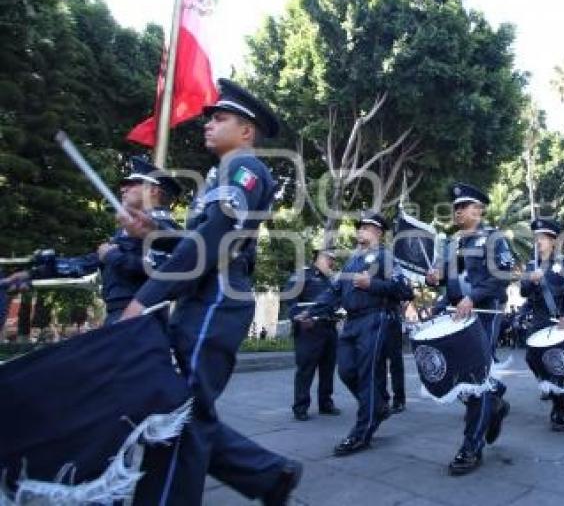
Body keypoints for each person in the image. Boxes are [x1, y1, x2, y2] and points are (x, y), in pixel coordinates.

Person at [119, 80, 302, 505]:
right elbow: (199, 237)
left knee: (179, 416)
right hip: (203, 300)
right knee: (186, 411)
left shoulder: (246, 171)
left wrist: (143, 299)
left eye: (220, 118)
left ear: (246, 131)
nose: (208, 125)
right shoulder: (220, 176)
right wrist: (157, 233)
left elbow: (214, 242)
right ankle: (270, 476)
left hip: (216, 301)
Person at [6, 157, 181, 325]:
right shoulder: (127, 231)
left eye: (131, 184)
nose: (123, 189)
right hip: (121, 315)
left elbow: (162, 269)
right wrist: (33, 274)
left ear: (153, 190)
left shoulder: (167, 231)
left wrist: (112, 256)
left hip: (142, 317)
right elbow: (88, 262)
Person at [304, 211, 414, 457]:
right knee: (346, 371)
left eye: (366, 227)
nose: (360, 230)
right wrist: (312, 312)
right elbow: (333, 292)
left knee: (368, 375)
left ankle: (362, 433)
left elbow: (406, 290)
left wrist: (371, 284)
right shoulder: (352, 261)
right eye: (360, 226)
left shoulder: (385, 257)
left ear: (378, 232)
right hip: (351, 323)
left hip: (375, 320)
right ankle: (377, 405)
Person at [425, 182, 514, 476]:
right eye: (456, 208)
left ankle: (471, 447)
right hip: (456, 316)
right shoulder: (451, 244)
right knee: (459, 375)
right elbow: (450, 283)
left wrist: (472, 298)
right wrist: (434, 279)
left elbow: (501, 276)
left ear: (479, 210)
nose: (458, 212)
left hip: (484, 315)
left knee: (476, 377)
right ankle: (496, 400)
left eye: (463, 207)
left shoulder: (494, 238)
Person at [520, 218, 564, 430]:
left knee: (559, 362)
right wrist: (530, 280)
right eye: (536, 238)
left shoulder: (563, 263)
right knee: (532, 358)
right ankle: (549, 388)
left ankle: (563, 410)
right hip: (539, 321)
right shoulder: (530, 264)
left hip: (560, 321)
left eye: (543, 238)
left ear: (553, 242)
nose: (538, 242)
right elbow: (523, 292)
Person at [284, 248, 341, 421]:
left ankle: (326, 403)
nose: (332, 262)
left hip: (329, 327)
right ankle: (300, 407)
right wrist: (299, 319)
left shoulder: (332, 280)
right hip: (309, 329)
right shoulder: (303, 275)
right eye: (328, 258)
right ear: (317, 258)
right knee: (305, 369)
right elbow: (289, 298)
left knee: (328, 369)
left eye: (333, 259)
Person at [381, 300, 407, 414]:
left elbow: (406, 294)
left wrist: (403, 304)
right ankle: (382, 399)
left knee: (396, 362)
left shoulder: (395, 281)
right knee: (378, 363)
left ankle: (399, 399)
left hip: (392, 320)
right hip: (375, 320)